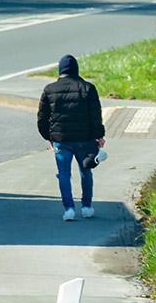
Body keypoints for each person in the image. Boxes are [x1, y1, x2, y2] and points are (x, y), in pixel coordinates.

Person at [37, 54, 105, 221]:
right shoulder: (88, 88)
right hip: (85, 139)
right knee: (86, 172)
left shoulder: (49, 90)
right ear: (76, 69)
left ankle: (69, 209)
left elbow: (41, 118)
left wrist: (50, 137)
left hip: (61, 140)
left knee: (64, 174)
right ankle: (87, 207)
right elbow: (95, 115)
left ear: (60, 70)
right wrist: (99, 136)